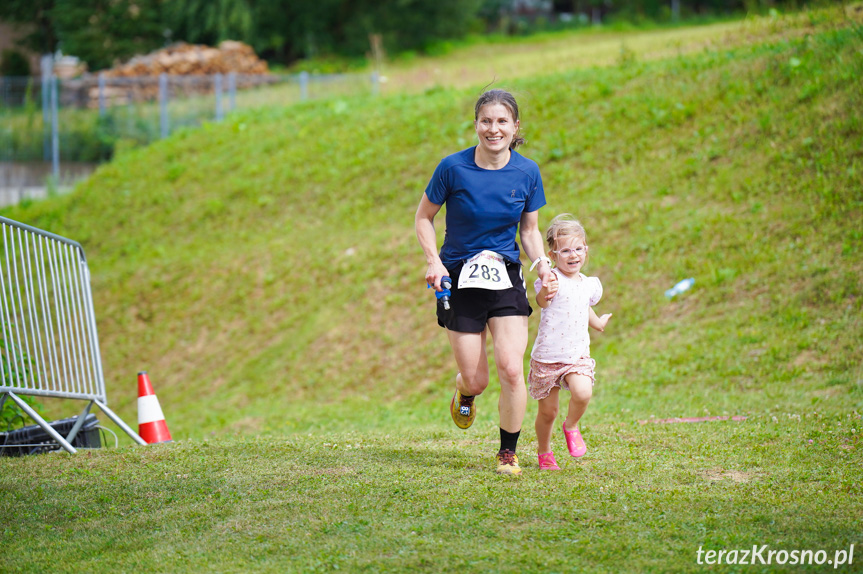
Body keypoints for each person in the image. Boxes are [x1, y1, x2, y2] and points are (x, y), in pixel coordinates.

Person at [415, 89, 552, 476]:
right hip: (458, 276)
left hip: (504, 273)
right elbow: (423, 217)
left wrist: (541, 264)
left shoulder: (527, 172)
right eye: (486, 121)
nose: (494, 129)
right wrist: (433, 262)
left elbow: (529, 231)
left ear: (515, 127)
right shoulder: (452, 169)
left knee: (511, 369)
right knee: (477, 379)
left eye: (502, 121)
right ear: (476, 124)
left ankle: (507, 452)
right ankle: (465, 391)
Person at [528, 214, 612, 470]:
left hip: (576, 356)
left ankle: (572, 425)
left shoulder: (589, 284)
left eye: (578, 248)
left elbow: (580, 306)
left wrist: (597, 322)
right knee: (548, 412)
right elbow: (543, 302)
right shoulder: (552, 279)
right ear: (553, 255)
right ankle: (544, 452)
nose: (573, 255)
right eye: (565, 250)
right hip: (548, 357)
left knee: (583, 392)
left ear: (586, 250)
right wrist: (544, 290)